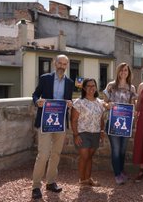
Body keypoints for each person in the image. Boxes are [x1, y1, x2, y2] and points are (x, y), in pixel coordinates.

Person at [31, 54, 74, 200]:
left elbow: (68, 101)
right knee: (43, 154)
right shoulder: (45, 78)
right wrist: (38, 102)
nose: (62, 66)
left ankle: (50, 182)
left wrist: (70, 103)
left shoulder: (69, 82)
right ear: (55, 64)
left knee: (56, 154)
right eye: (60, 63)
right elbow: (35, 95)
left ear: (67, 66)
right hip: (45, 122)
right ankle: (36, 186)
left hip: (60, 123)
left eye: (65, 64)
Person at [103, 63, 137, 185]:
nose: (123, 72)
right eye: (121, 70)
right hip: (113, 123)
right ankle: (117, 174)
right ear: (118, 71)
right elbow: (104, 103)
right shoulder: (111, 86)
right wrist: (109, 105)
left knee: (123, 150)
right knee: (116, 149)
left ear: (128, 72)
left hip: (126, 124)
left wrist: (135, 108)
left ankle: (121, 171)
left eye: (126, 70)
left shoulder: (131, 88)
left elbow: (133, 104)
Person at [71, 78, 105, 186]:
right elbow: (74, 120)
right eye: (89, 86)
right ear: (84, 88)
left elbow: (101, 119)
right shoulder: (79, 102)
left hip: (95, 133)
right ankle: (82, 180)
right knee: (84, 156)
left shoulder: (100, 102)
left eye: (93, 86)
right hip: (83, 133)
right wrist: (76, 135)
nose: (91, 88)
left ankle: (88, 178)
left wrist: (102, 131)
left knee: (90, 156)